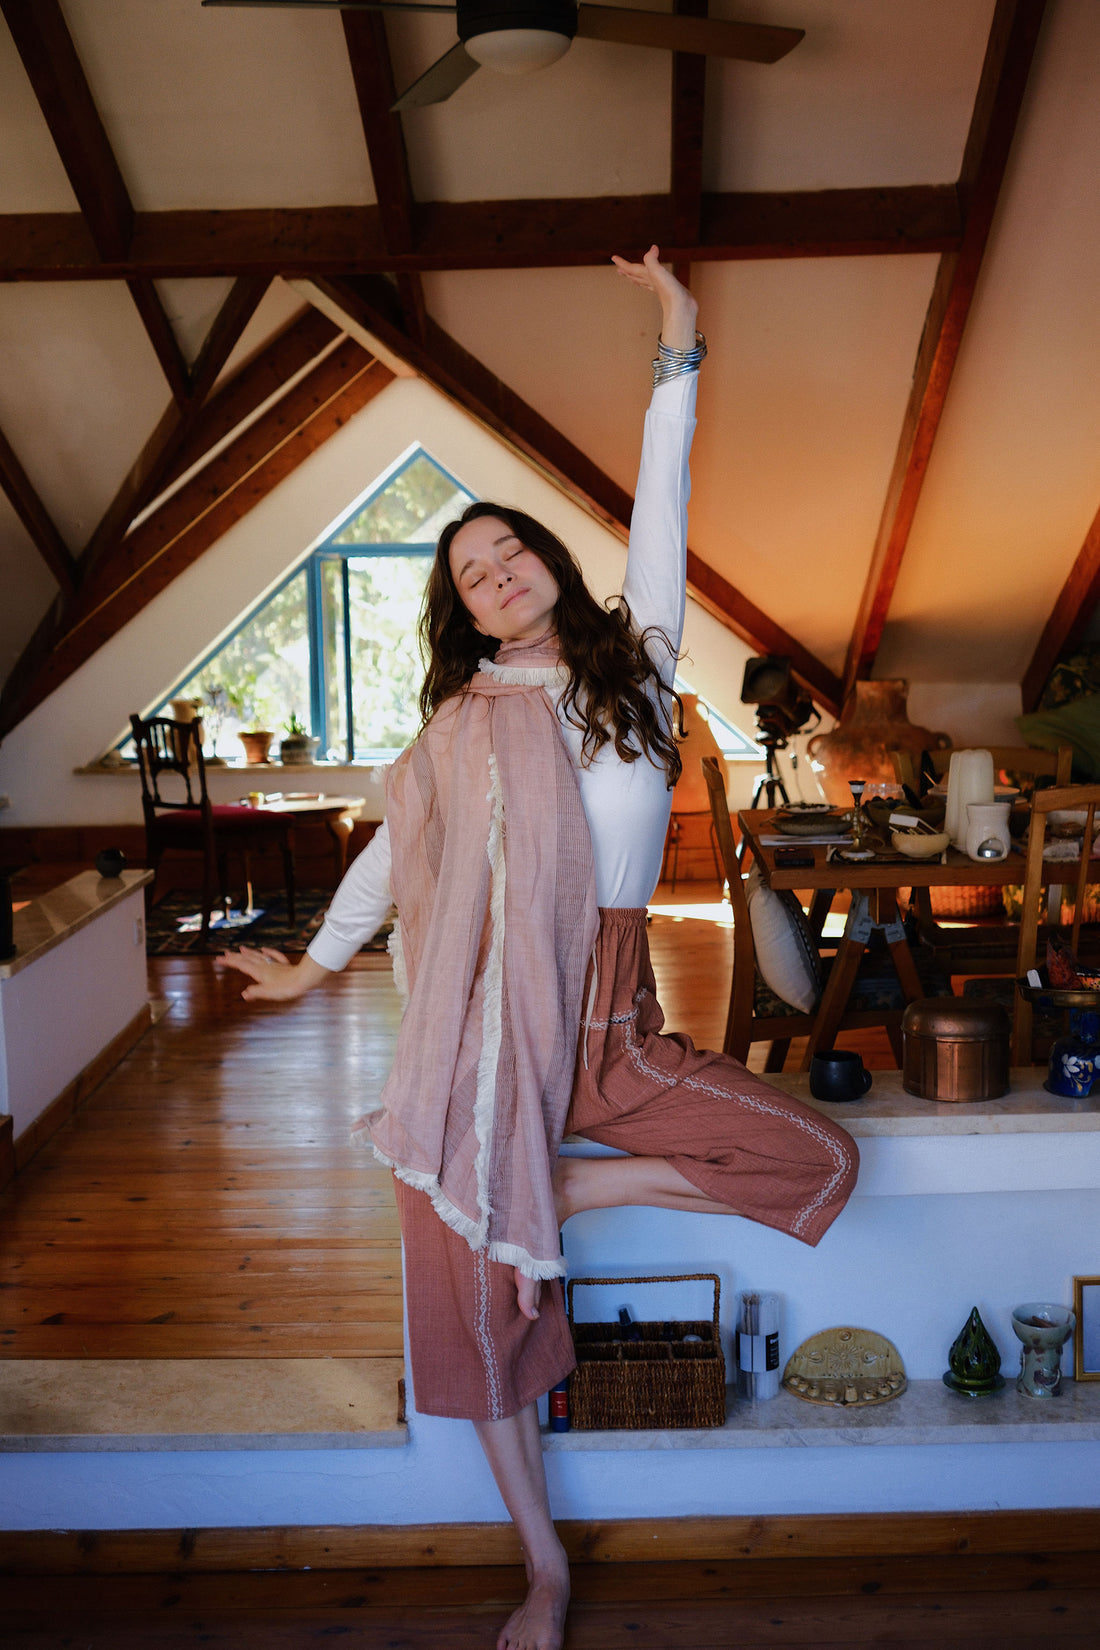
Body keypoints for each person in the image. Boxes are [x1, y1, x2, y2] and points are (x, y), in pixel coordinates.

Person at [222, 248, 859, 1650]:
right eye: (470, 571)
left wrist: (678, 341)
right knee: (474, 1318)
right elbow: (393, 855)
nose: (497, 574)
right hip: (479, 1044)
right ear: (463, 607)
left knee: (818, 1157)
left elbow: (669, 500)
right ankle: (546, 1568)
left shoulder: (637, 661)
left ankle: (553, 1206)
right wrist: (316, 967)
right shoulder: (456, 727)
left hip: (611, 1030)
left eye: (509, 551)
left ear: (550, 566)